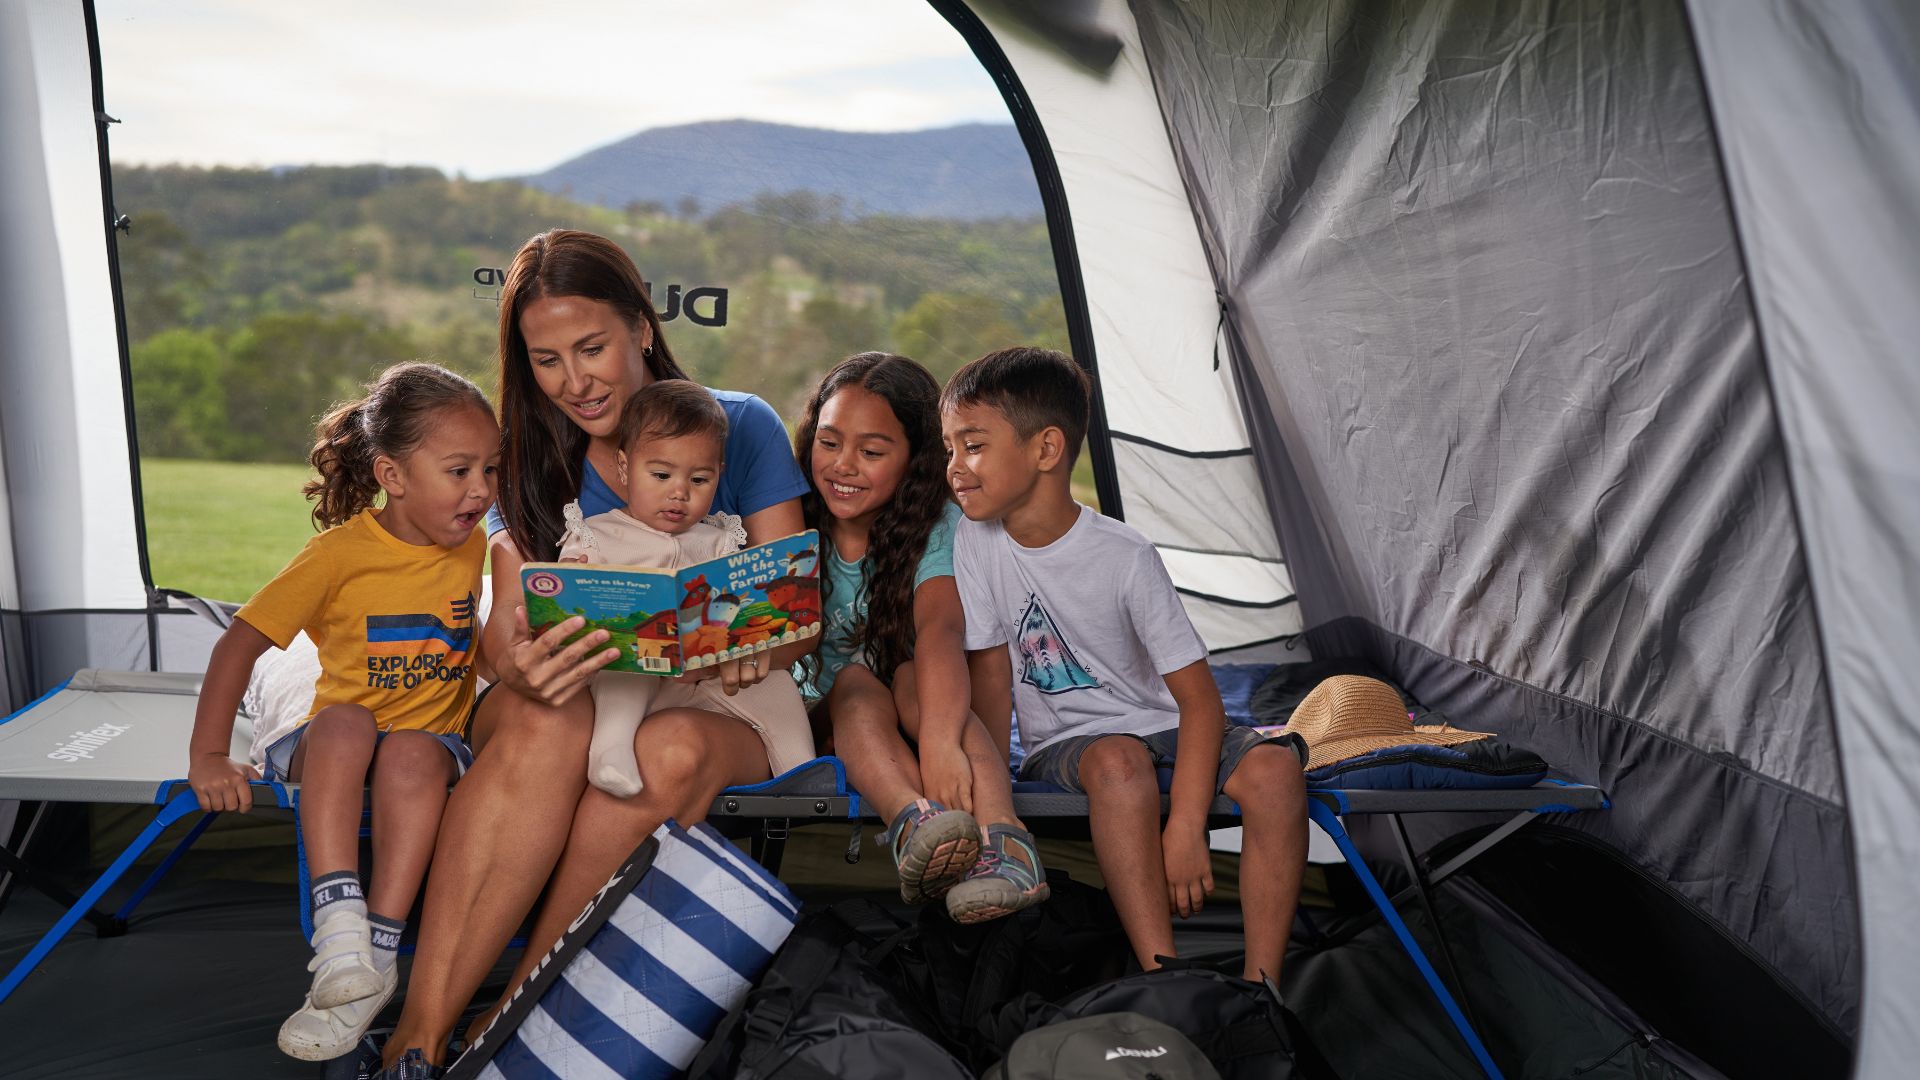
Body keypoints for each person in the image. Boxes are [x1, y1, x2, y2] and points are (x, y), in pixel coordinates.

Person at [378, 230, 811, 1077]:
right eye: (547, 359)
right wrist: (519, 661)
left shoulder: (739, 425)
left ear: (642, 329)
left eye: (592, 348)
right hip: (583, 692)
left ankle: (507, 1017)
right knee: (551, 718)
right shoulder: (531, 455)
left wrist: (747, 638)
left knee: (669, 750)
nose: (574, 382)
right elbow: (504, 634)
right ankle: (419, 1035)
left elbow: (794, 605)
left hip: (716, 693)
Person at [941, 346, 1309, 981]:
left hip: (1162, 725)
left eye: (971, 446)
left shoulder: (1125, 555)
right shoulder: (974, 542)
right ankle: (1160, 975)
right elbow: (993, 677)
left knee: (1277, 769)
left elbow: (1198, 702)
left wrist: (1187, 828)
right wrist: (994, 799)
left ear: (1046, 449)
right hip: (1068, 744)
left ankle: (1262, 990)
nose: (954, 468)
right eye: (949, 448)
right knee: (1118, 760)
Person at [183, 362, 499, 1062]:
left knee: (416, 746)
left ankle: (376, 958)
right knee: (347, 719)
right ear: (392, 476)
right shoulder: (338, 556)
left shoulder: (476, 543)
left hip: (427, 745)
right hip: (334, 745)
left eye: (490, 469)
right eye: (459, 470)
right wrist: (207, 753)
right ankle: (339, 928)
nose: (481, 490)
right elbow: (239, 644)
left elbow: (481, 645)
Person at [796, 353, 1049, 923]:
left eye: (873, 451)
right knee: (858, 683)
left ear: (915, 460)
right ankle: (914, 820)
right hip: (829, 719)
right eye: (829, 442)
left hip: (918, 707)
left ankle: (1004, 841)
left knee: (917, 676)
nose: (844, 466)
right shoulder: (792, 516)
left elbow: (940, 629)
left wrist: (937, 743)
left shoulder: (939, 524)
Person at [556, 379, 815, 797]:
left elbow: (747, 606)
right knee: (633, 662)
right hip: (631, 683)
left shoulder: (720, 538)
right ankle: (610, 750)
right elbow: (568, 602)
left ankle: (801, 769)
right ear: (625, 468)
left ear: (719, 476)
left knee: (775, 682)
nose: (679, 493)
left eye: (699, 480)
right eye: (660, 475)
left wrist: (747, 632)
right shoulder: (596, 535)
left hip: (707, 681)